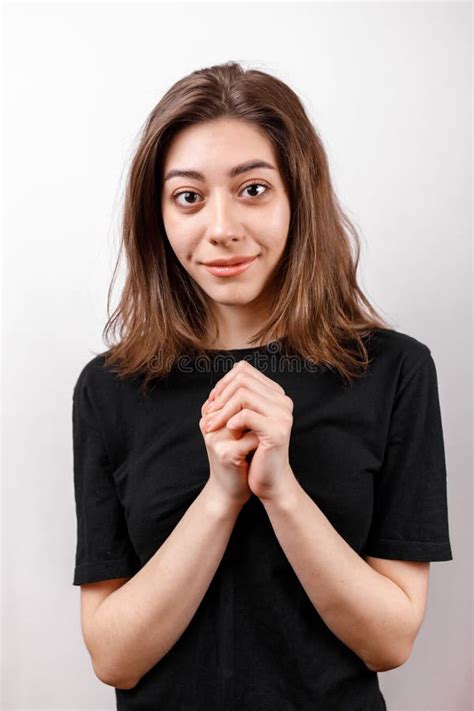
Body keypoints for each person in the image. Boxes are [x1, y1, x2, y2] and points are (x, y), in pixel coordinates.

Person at [71, 61, 453, 710]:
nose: (221, 228)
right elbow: (114, 656)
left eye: (252, 189)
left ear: (298, 194)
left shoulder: (394, 371)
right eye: (188, 196)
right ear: (157, 214)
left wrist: (280, 491)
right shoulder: (109, 389)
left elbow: (391, 640)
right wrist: (221, 495)